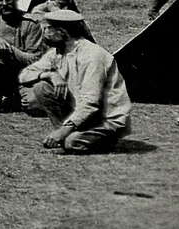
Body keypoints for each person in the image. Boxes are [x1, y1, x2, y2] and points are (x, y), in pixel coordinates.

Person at [18, 9, 132, 154]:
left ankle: (104, 140)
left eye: (48, 28)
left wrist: (64, 131)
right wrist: (50, 75)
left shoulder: (92, 57)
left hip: (105, 119)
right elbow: (24, 75)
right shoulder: (58, 52)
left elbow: (91, 103)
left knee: (71, 143)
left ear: (63, 32)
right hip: (81, 113)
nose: (44, 33)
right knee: (42, 87)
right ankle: (65, 135)